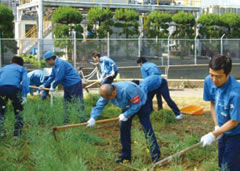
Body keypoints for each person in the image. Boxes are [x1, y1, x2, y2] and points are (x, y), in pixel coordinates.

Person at [86, 82, 161, 163]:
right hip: (127, 105)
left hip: (141, 104)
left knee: (147, 128)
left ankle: (155, 155)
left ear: (114, 92)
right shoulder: (107, 92)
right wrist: (93, 117)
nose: (109, 100)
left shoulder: (128, 89)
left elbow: (137, 105)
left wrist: (126, 114)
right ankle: (126, 156)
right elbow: (100, 104)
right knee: (124, 129)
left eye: (110, 98)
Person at [201, 55, 240, 171]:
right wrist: (217, 125)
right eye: (211, 75)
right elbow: (213, 103)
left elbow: (234, 121)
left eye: (218, 77)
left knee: (228, 167)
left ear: (228, 74)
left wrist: (214, 134)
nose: (214, 80)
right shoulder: (209, 81)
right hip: (222, 130)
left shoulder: (236, 93)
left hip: (236, 134)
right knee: (221, 164)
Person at [40, 51, 85, 123]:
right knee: (66, 103)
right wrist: (44, 85)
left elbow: (59, 77)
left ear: (50, 59)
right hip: (67, 85)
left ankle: (82, 120)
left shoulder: (60, 64)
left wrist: (53, 86)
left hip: (74, 83)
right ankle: (66, 120)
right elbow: (52, 76)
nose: (47, 63)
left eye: (47, 61)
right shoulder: (55, 66)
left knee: (77, 102)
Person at [0, 56, 29, 138]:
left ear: (12, 62)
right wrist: (24, 95)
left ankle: (1, 132)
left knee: (1, 111)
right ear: (21, 63)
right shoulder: (21, 68)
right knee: (18, 111)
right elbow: (25, 82)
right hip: (14, 89)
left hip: (1, 89)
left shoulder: (3, 68)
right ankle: (17, 134)